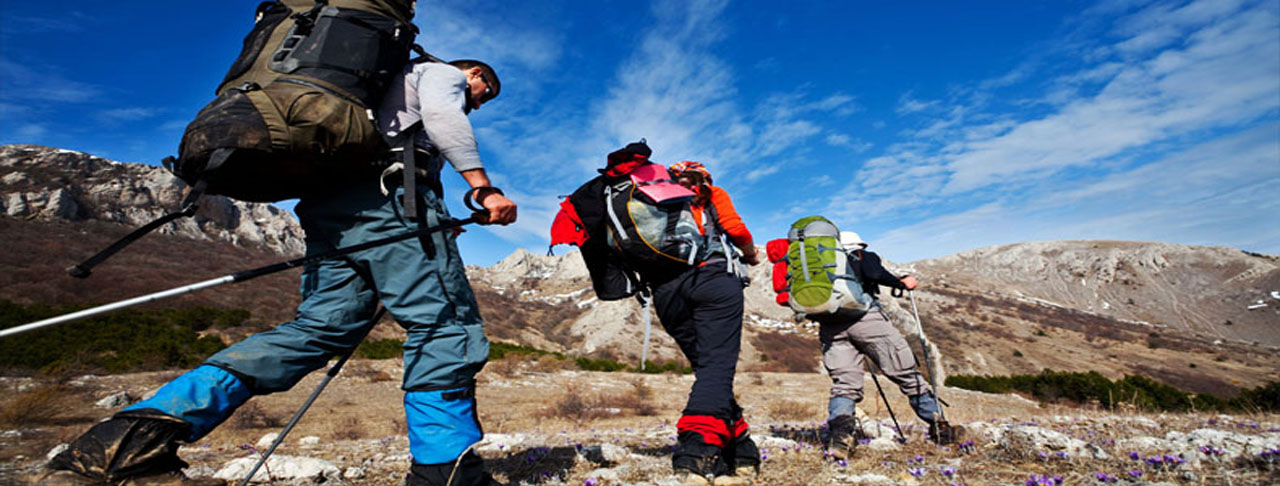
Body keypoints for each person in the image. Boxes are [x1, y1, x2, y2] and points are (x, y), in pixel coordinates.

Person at [44, 59, 516, 486]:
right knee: (444, 327)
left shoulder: (371, 90)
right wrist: (482, 189)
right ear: (473, 74)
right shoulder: (440, 74)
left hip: (332, 209)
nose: (479, 102)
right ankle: (447, 475)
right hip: (389, 202)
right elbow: (444, 119)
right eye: (483, 92)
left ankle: (123, 445)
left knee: (319, 328)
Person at [657, 161, 760, 485]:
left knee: (709, 371)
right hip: (712, 279)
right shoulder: (711, 192)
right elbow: (735, 228)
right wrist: (750, 254)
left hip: (665, 290)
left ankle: (741, 452)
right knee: (716, 368)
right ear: (704, 178)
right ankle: (694, 453)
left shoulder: (651, 198)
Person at [813, 231, 954, 457]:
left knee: (845, 384)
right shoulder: (861, 255)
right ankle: (939, 427)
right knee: (905, 373)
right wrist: (900, 282)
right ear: (858, 245)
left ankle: (840, 439)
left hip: (831, 326)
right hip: (867, 320)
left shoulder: (819, 264)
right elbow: (874, 272)